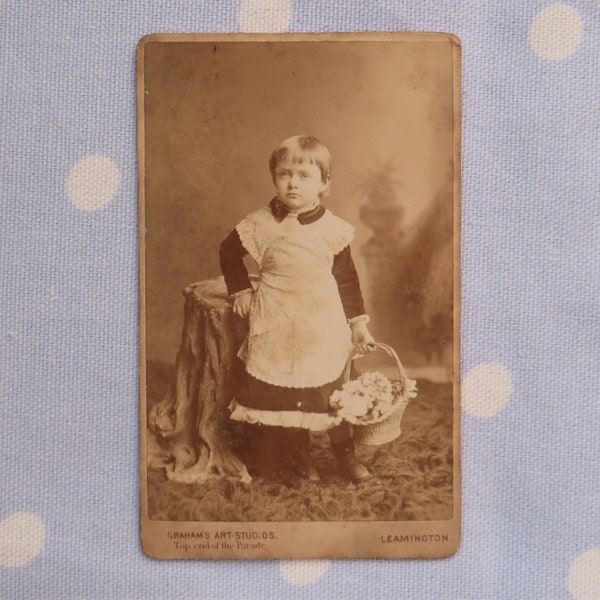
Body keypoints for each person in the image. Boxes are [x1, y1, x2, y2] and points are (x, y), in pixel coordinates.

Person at [219, 135, 375, 483]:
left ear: (325, 184)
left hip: (320, 320)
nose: (292, 183)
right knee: (284, 393)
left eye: (304, 176)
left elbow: (347, 280)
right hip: (276, 315)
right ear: (274, 177)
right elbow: (228, 252)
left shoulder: (332, 229)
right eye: (284, 174)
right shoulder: (260, 223)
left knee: (328, 389)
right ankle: (299, 456)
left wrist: (358, 325)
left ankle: (345, 457)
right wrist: (241, 291)